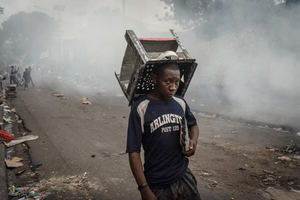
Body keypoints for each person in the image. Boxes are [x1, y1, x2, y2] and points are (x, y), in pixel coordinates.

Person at [126, 62, 201, 200]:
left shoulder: (180, 103)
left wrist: (193, 141)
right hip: (157, 184)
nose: (173, 87)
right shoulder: (141, 108)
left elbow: (193, 125)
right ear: (155, 79)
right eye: (167, 81)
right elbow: (133, 152)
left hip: (183, 176)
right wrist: (144, 188)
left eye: (177, 82)